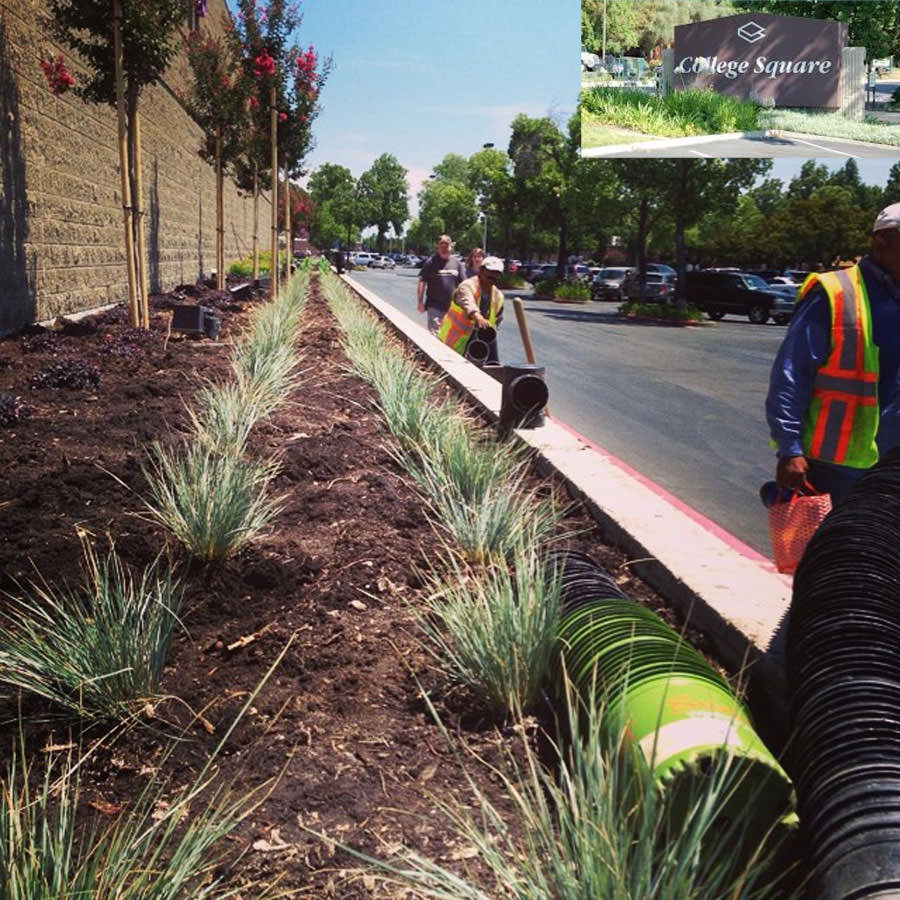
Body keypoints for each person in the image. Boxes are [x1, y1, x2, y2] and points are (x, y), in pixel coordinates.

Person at [766, 202, 900, 506]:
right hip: (835, 468)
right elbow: (791, 374)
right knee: (829, 551)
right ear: (882, 244)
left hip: (891, 465)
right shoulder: (835, 293)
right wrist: (790, 448)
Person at [437, 256, 505, 363]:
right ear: (481, 271)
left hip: (479, 343)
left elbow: (497, 319)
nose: (491, 281)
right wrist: (478, 317)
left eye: (495, 278)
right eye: (489, 277)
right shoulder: (467, 286)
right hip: (454, 342)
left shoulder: (498, 296)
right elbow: (468, 302)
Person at [417, 234, 465, 335]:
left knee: (449, 337)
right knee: (436, 336)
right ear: (437, 247)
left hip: (452, 309)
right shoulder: (431, 262)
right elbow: (422, 281)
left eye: (446, 245)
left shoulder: (457, 264)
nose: (444, 248)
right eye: (441, 245)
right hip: (434, 306)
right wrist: (420, 302)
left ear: (450, 247)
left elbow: (464, 285)